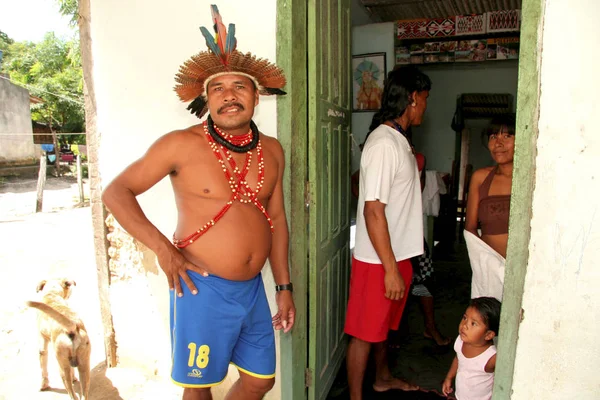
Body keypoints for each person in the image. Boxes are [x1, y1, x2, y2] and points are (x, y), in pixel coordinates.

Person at [101, 6, 295, 400]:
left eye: (239, 87)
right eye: (217, 89)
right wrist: (164, 250)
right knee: (198, 386)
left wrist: (284, 285)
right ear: (205, 100)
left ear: (257, 95)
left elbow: (276, 217)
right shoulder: (180, 144)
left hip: (254, 289)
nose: (229, 96)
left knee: (261, 380)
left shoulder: (272, 150)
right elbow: (115, 192)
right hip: (201, 287)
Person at [344, 65, 431, 399]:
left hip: (397, 255)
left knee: (383, 328)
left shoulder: (399, 140)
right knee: (364, 333)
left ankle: (382, 377)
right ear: (412, 99)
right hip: (379, 261)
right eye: (423, 99)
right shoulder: (383, 144)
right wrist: (391, 269)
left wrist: (399, 264)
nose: (425, 106)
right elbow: (372, 210)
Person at [464, 115, 515, 300]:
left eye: (507, 136)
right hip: (490, 273)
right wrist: (487, 265)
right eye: (494, 137)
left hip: (523, 271)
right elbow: (470, 229)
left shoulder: (529, 179)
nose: (498, 143)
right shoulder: (480, 177)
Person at [442, 297, 501, 400]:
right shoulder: (461, 341)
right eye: (465, 318)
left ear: (488, 335)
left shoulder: (491, 357)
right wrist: (449, 377)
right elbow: (458, 359)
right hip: (461, 395)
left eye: (473, 323)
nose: (464, 326)